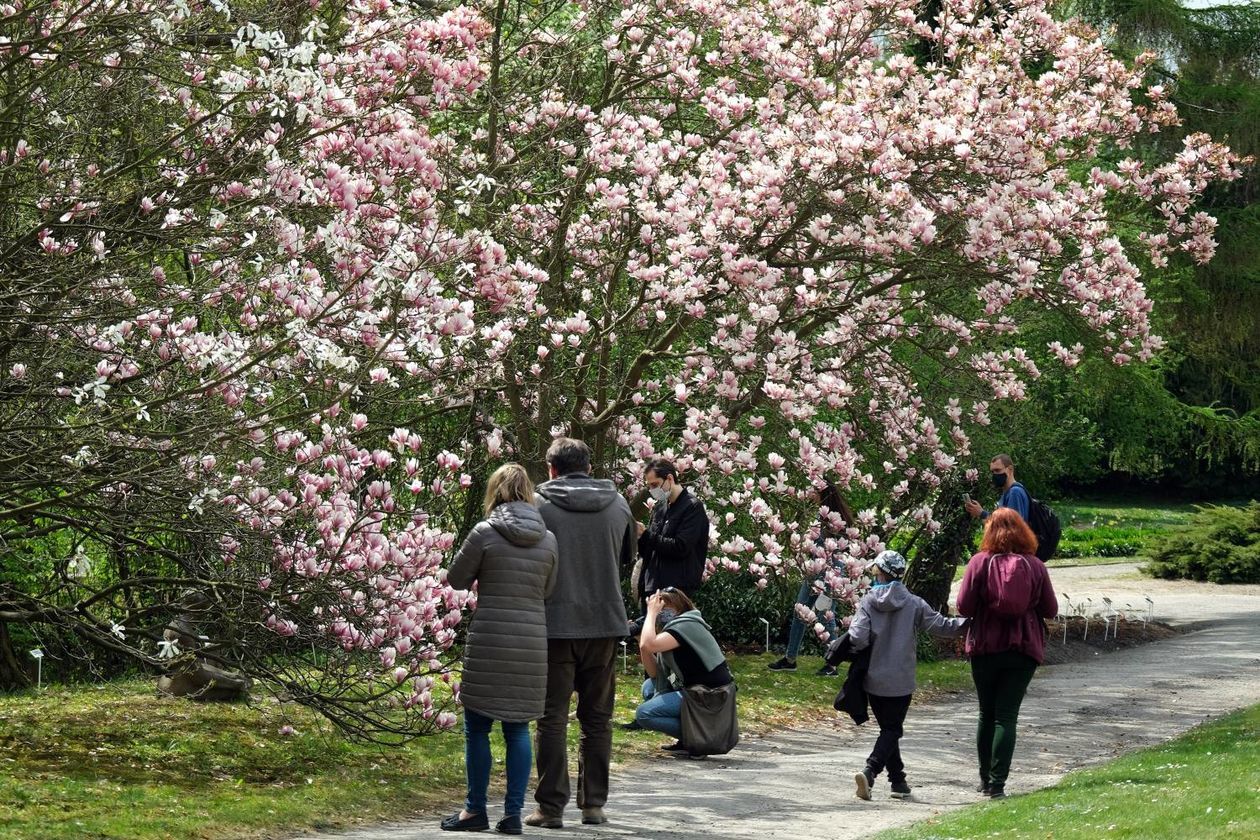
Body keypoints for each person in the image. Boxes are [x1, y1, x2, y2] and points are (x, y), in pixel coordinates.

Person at [441, 464, 558, 835]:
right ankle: (512, 815)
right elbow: (548, 590)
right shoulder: (549, 539)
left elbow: (456, 578)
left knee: (477, 728)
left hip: (490, 638)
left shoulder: (485, 532)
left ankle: (475, 811)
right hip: (530, 643)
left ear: (496, 492)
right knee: (518, 729)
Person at [528, 437, 636, 829]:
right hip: (605, 622)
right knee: (597, 719)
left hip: (555, 623)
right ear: (588, 467)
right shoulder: (619, 504)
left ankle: (550, 807)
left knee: (551, 718)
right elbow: (626, 559)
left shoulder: (539, 506)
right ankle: (594, 804)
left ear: (552, 468)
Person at [847, 550, 967, 802]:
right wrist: (972, 622)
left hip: (873, 679)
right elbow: (943, 627)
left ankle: (898, 781)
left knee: (888, 728)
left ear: (880, 573)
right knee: (892, 729)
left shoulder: (868, 601)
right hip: (901, 680)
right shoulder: (914, 603)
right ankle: (870, 772)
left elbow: (857, 637)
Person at [956, 508, 1058, 799]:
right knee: (1006, 716)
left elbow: (964, 606)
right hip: (1023, 648)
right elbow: (1050, 610)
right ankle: (998, 784)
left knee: (986, 714)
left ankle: (985, 779)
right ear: (1023, 531)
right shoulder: (1036, 565)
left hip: (985, 646)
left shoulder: (979, 562)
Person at [768, 481, 854, 675]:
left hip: (830, 574)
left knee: (826, 615)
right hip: (814, 571)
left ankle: (832, 664)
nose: (810, 493)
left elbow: (830, 547)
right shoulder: (818, 515)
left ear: (822, 493)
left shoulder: (833, 519)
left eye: (814, 490)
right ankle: (790, 659)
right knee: (800, 611)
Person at [633, 587, 733, 751]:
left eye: (665, 609)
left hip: (709, 696)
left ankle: (701, 738)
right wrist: (641, 642)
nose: (662, 613)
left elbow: (649, 643)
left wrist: (650, 615)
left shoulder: (686, 625)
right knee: (649, 687)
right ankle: (688, 739)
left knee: (644, 714)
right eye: (660, 609)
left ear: (680, 607)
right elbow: (655, 674)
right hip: (693, 689)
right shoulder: (676, 627)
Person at [629, 458, 709, 633]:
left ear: (670, 478)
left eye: (655, 484)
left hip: (675, 590)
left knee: (668, 646)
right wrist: (640, 537)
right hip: (652, 588)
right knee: (648, 645)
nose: (652, 490)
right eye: (649, 486)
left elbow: (681, 547)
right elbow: (650, 550)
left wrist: (647, 535)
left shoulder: (692, 507)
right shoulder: (660, 508)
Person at [965, 453, 1030, 523]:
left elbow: (1011, 527)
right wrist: (981, 513)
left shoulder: (1015, 492)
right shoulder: (1007, 493)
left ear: (1010, 469)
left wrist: (982, 514)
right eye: (992, 472)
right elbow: (1001, 523)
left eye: (998, 470)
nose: (995, 474)